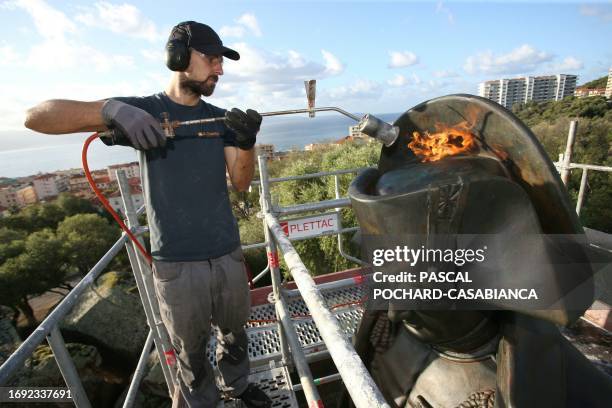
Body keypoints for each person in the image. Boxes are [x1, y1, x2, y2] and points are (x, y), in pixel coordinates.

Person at [24, 21, 271, 408]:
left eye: (221, 61)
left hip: (226, 252)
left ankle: (238, 386)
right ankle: (200, 402)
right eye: (212, 58)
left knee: (235, 334)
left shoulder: (220, 118)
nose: (220, 69)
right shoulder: (144, 110)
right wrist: (112, 109)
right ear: (178, 58)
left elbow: (240, 182)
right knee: (189, 350)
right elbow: (35, 117)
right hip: (176, 263)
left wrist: (246, 141)